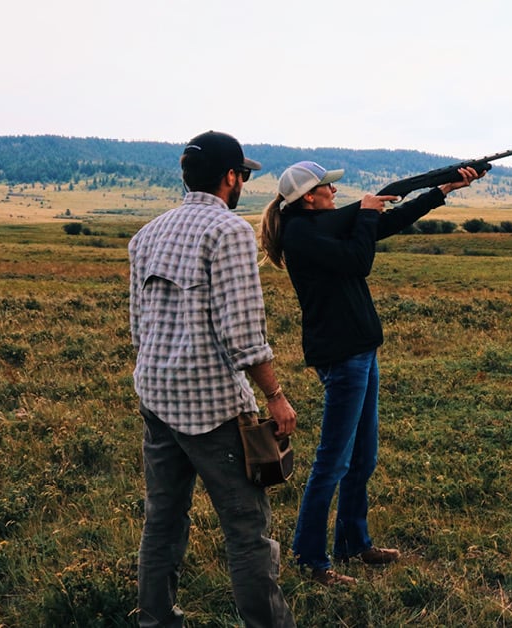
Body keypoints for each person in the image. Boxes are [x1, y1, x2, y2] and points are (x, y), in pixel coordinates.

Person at [258, 159, 481, 586]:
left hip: (359, 349)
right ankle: (309, 557)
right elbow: (360, 259)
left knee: (363, 456)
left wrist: (441, 191)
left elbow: (386, 224)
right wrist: (363, 213)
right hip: (342, 356)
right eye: (328, 188)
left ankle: (352, 542)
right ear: (309, 197)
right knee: (333, 460)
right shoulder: (303, 234)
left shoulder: (321, 224)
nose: (334, 192)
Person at [129, 130, 298, 627]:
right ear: (230, 177)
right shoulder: (229, 232)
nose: (243, 182)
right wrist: (276, 396)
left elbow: (140, 327)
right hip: (212, 409)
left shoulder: (147, 234)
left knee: (162, 519)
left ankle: (156, 619)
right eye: (242, 174)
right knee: (247, 530)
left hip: (156, 396)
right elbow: (243, 332)